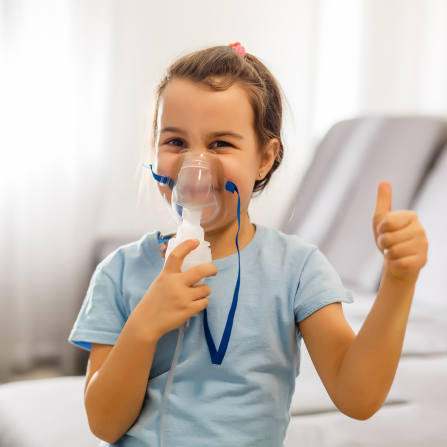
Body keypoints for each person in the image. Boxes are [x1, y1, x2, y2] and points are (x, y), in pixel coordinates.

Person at [68, 43, 428, 447]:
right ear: (154, 153)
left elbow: (358, 397)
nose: (195, 164)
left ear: (264, 158)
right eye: (175, 142)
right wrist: (144, 325)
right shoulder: (120, 272)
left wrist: (398, 281)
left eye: (221, 143)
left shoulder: (296, 270)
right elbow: (103, 423)